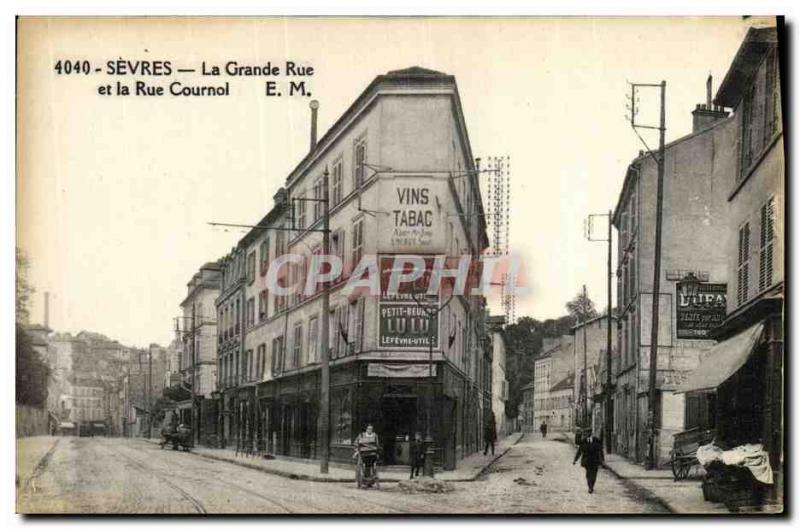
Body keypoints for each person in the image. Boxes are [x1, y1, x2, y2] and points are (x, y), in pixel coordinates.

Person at [573, 429, 605, 493]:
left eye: (589, 433)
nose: (588, 434)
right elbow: (579, 451)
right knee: (588, 474)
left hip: (595, 460)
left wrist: (602, 460)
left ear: (591, 433)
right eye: (586, 433)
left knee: (594, 474)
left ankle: (592, 485)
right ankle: (590, 487)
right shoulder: (583, 441)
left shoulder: (596, 440)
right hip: (587, 460)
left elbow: (600, 451)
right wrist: (575, 460)